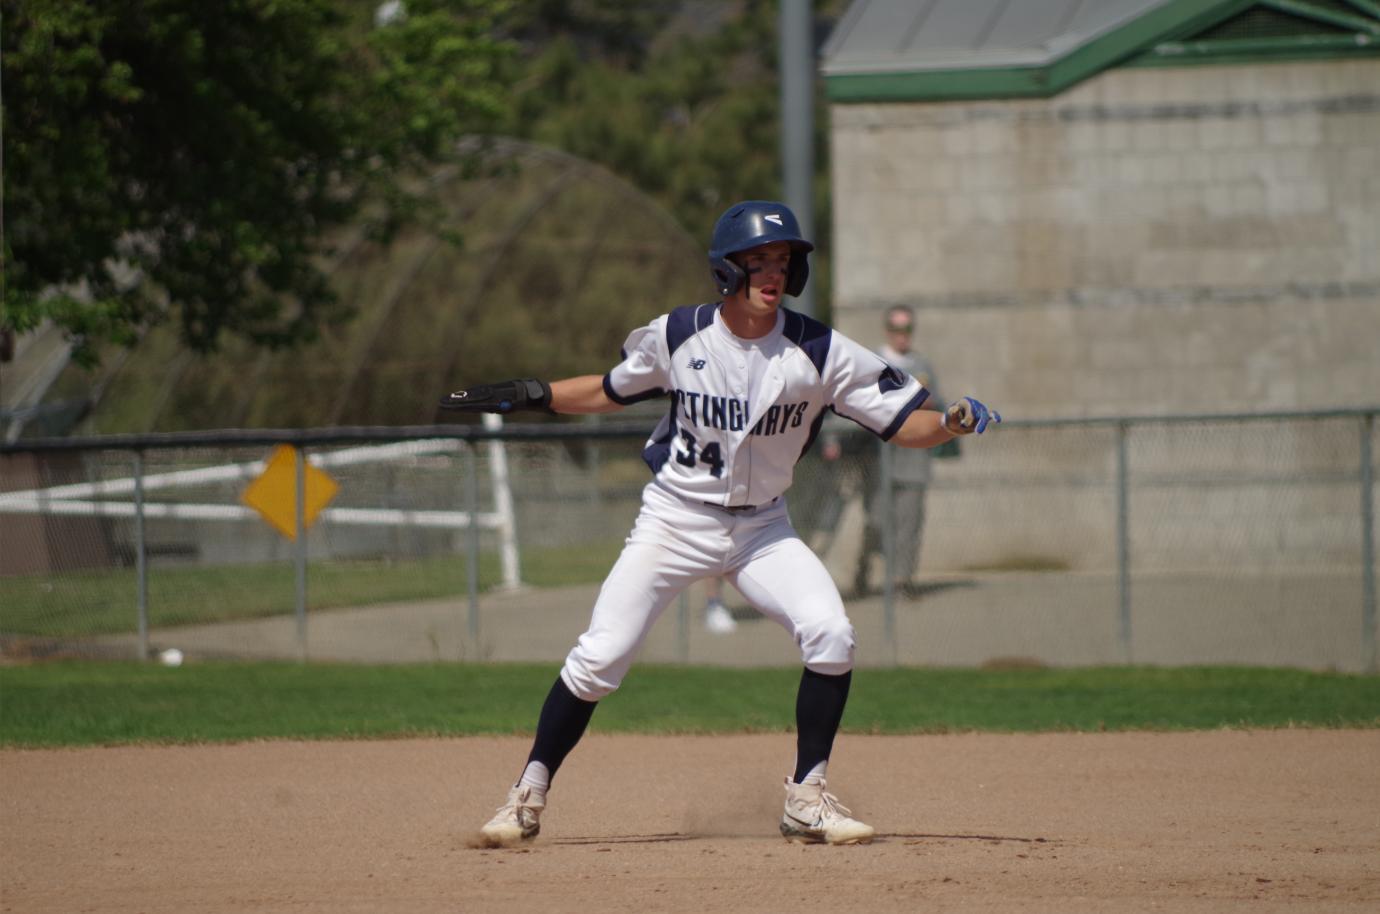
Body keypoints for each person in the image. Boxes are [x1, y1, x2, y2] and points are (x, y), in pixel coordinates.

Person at [439, 200, 999, 847]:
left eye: (782, 260)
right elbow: (610, 390)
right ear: (727, 269)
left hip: (763, 529)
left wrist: (950, 423)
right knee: (600, 658)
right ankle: (525, 797)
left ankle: (806, 798)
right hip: (674, 520)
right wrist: (534, 394)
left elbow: (906, 424)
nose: (772, 272)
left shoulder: (820, 350)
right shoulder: (679, 334)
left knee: (831, 634)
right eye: (758, 260)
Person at [854, 305, 939, 597]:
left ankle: (902, 581)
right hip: (880, 457)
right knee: (876, 521)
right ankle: (864, 567)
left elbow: (936, 401)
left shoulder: (922, 365)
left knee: (909, 522)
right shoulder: (872, 362)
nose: (902, 335)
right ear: (887, 330)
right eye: (896, 329)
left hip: (914, 457)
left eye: (907, 329)